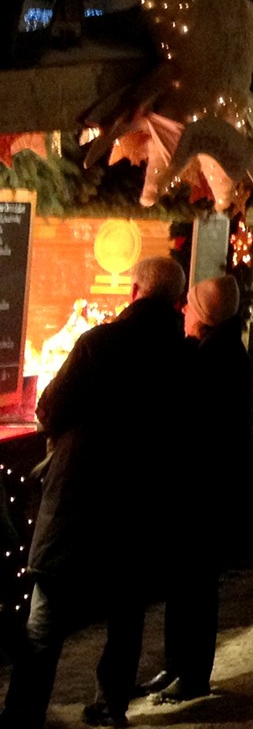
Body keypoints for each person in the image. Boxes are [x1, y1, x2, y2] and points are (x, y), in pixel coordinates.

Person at [4, 257, 191, 729]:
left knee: (46, 615)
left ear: (134, 292)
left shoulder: (99, 343)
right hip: (143, 502)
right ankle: (110, 705)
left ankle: (23, 712)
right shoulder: (185, 358)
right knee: (126, 614)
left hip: (79, 499)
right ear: (176, 302)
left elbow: (50, 409)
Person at [140, 275, 253, 706]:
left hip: (203, 489)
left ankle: (192, 675)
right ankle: (178, 665)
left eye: (190, 307)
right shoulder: (216, 350)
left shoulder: (216, 358)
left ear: (204, 315)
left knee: (196, 585)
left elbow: (199, 424)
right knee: (187, 581)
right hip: (204, 486)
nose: (184, 313)